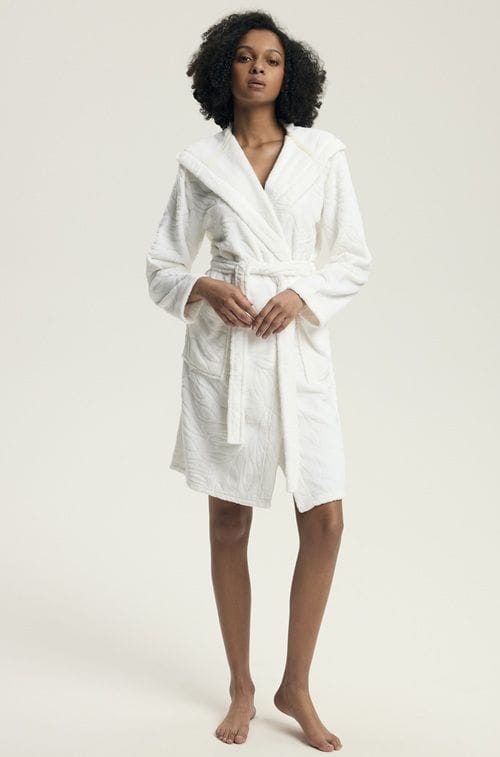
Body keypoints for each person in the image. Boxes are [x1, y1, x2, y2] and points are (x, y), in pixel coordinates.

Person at [146, 10, 372, 752]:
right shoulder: (201, 165)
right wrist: (205, 287)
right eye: (245, 57)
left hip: (296, 349)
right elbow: (162, 265)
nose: (257, 69)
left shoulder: (321, 155)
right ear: (225, 69)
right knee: (229, 521)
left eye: (271, 59)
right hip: (230, 352)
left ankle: (294, 684)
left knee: (326, 518)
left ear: (288, 74)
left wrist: (302, 294)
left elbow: (352, 257)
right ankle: (242, 685)